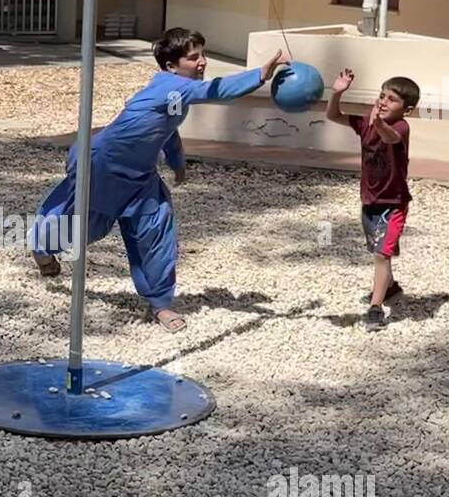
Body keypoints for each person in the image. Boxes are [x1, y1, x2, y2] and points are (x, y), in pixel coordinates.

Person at [31, 28, 284, 332]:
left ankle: (160, 304)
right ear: (171, 66)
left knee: (156, 231)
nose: (203, 62)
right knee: (88, 225)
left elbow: (166, 128)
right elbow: (216, 90)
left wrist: (177, 162)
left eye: (203, 54)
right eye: (194, 57)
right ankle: (43, 247)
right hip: (102, 165)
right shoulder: (171, 87)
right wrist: (261, 73)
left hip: (141, 176)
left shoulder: (177, 92)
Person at [326, 69, 421, 330]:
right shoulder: (365, 124)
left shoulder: (401, 126)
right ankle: (390, 288)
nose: (383, 101)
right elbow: (333, 115)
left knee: (382, 254)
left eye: (392, 99)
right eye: (382, 95)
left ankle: (375, 308)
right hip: (369, 201)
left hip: (394, 204)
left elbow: (391, 137)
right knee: (380, 250)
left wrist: (378, 124)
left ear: (407, 109)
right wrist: (337, 92)